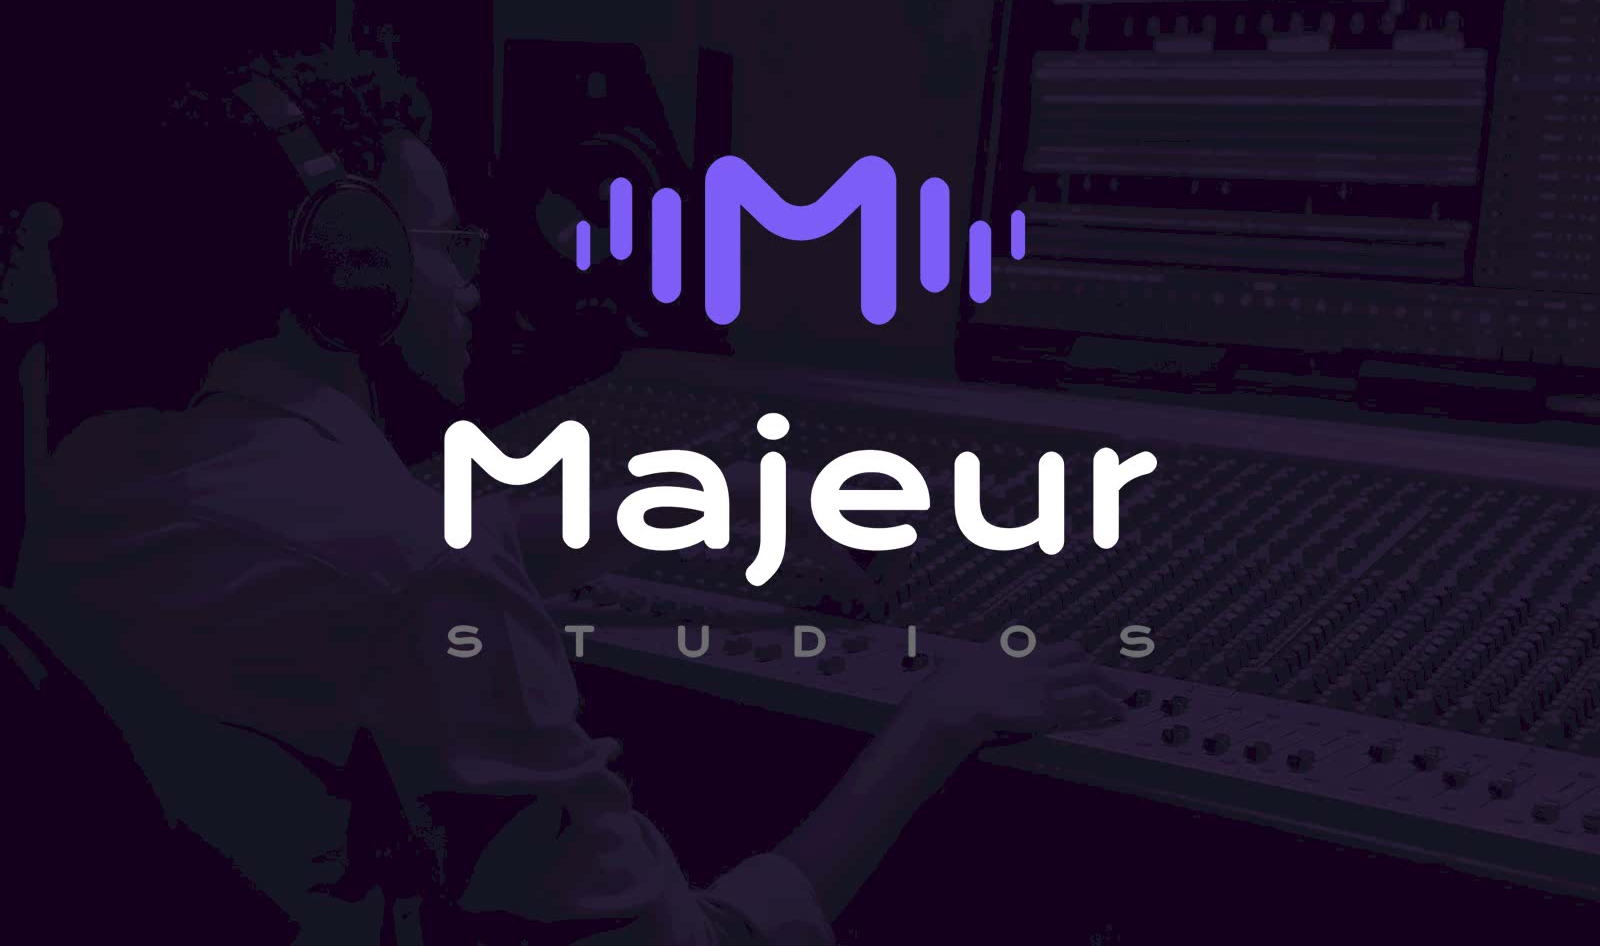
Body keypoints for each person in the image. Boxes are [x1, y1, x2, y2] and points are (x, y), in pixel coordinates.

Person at [9, 48, 1127, 943]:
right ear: (351, 268)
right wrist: (942, 716)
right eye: (445, 242)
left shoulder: (98, 470)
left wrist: (708, 506)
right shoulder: (417, 568)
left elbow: (395, 553)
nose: (471, 280)